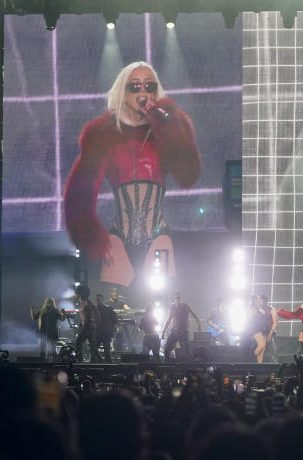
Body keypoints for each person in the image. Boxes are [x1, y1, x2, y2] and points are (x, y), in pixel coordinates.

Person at [63, 61, 202, 290]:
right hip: (119, 238)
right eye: (135, 87)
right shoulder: (104, 135)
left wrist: (166, 126)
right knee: (113, 308)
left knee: (163, 302)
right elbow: (80, 191)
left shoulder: (167, 130)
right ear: (123, 93)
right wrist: (89, 233)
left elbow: (188, 175)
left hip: (157, 235)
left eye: (150, 86)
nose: (143, 92)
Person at [162, 292, 201, 361]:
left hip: (183, 331)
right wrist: (163, 331)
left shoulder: (185, 306)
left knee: (186, 351)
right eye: (177, 298)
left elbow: (195, 316)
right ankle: (166, 366)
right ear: (175, 299)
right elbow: (168, 320)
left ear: (181, 299)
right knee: (166, 350)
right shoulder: (172, 307)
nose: (178, 299)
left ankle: (191, 366)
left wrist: (199, 325)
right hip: (174, 331)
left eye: (179, 298)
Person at [73, 284, 100, 362]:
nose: (74, 294)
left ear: (80, 293)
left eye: (76, 292)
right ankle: (94, 361)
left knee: (78, 343)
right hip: (89, 327)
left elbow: (88, 318)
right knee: (92, 346)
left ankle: (80, 361)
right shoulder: (85, 303)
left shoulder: (85, 304)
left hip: (88, 327)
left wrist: (84, 327)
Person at [95, 294, 118, 362]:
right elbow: (115, 319)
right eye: (97, 299)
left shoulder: (108, 309)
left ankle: (107, 363)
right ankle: (104, 362)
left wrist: (111, 328)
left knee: (106, 350)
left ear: (102, 300)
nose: (98, 301)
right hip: (99, 333)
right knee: (95, 350)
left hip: (105, 333)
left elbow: (114, 319)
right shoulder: (94, 309)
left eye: (99, 299)